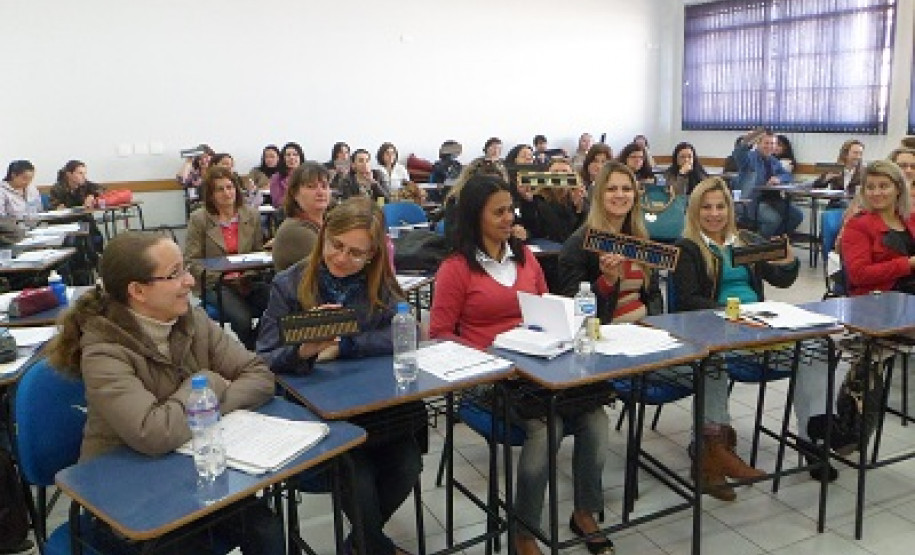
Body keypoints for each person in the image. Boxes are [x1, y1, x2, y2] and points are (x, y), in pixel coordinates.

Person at [45, 231, 283, 555]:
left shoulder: (192, 319)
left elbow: (259, 376)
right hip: (126, 493)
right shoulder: (104, 351)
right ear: (138, 291)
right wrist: (209, 384)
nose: (188, 281)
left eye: (185, 268)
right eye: (174, 274)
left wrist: (204, 409)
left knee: (264, 527)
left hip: (190, 472)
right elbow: (153, 433)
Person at [429, 175, 611, 555]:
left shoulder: (525, 256)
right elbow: (440, 335)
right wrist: (490, 356)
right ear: (473, 217)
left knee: (595, 418)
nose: (508, 218)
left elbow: (545, 306)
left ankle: (584, 512)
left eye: (509, 209)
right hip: (486, 375)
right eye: (497, 212)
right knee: (547, 428)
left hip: (538, 367)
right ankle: (523, 531)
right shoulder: (456, 268)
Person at [257, 197, 424, 555]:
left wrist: (345, 346)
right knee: (357, 474)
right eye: (336, 245)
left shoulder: (378, 283)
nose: (342, 258)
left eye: (356, 253)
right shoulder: (290, 284)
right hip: (314, 412)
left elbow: (407, 332)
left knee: (408, 462)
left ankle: (360, 546)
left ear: (373, 255)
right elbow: (264, 357)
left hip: (371, 406)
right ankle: (376, 549)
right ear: (323, 236)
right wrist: (305, 349)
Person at [672, 177, 816, 499]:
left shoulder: (745, 240)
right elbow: (687, 301)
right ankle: (714, 447)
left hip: (759, 329)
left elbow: (780, 279)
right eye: (706, 207)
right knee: (714, 359)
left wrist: (788, 261)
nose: (714, 214)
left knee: (815, 347)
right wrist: (730, 313)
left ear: (730, 209)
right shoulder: (689, 248)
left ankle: (814, 435)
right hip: (718, 331)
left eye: (720, 206)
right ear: (695, 211)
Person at [185, 167, 269, 349]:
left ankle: (259, 345)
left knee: (279, 303)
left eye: (230, 187)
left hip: (248, 279)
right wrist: (225, 277)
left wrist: (246, 275)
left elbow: (258, 252)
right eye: (219, 189)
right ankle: (254, 349)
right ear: (211, 195)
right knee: (242, 319)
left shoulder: (251, 215)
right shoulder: (199, 219)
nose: (226, 193)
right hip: (216, 283)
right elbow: (192, 261)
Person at [842, 160, 915, 296]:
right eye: (870, 187)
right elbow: (859, 275)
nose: (876, 193)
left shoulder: (910, 218)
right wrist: (907, 264)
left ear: (898, 189)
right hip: (881, 299)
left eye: (883, 186)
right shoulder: (857, 225)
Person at [731, 128, 802, 238]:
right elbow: (738, 154)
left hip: (772, 200)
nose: (769, 146)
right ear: (758, 144)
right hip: (751, 202)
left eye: (772, 143)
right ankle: (758, 245)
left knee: (796, 216)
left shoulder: (774, 161)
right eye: (766, 143)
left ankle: (770, 240)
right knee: (773, 219)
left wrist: (779, 179)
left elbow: (788, 175)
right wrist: (746, 142)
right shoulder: (750, 158)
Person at [271, 162, 330, 272]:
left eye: (324, 186)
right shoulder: (295, 231)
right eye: (311, 187)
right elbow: (332, 267)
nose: (320, 192)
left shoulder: (329, 222)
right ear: (295, 193)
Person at [268, 142, 304, 209]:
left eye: (295, 155)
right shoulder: (276, 178)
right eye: (288, 155)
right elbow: (277, 202)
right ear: (283, 158)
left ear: (300, 158)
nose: (292, 158)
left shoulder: (308, 176)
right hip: (287, 212)